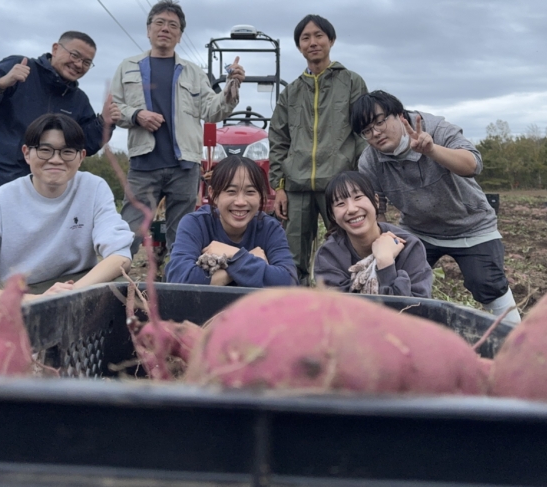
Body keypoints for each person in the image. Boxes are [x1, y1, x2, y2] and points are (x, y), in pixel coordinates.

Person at [0, 114, 133, 315]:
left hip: (75, 283)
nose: (56, 160)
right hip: (18, 293)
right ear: (27, 153)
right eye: (45, 150)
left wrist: (72, 292)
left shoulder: (93, 188)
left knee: (123, 287)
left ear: (81, 157)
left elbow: (120, 255)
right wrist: (37, 301)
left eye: (67, 152)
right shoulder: (0, 201)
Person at [352, 90, 522, 323]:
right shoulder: (370, 160)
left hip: (471, 225)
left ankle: (513, 340)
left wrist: (432, 150)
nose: (376, 133)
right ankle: (413, 340)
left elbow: (473, 164)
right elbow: (377, 209)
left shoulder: (437, 129)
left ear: (400, 115)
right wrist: (381, 244)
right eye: (367, 131)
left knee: (487, 283)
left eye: (380, 122)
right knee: (405, 283)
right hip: (418, 230)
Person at [0, 31, 120, 242]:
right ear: (56, 49)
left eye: (87, 62)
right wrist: (1, 83)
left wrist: (104, 122)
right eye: (75, 55)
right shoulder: (18, 67)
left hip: (36, 189)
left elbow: (84, 145)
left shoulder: (77, 100)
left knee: (26, 251)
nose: (79, 64)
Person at [111, 0, 245, 259]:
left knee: (182, 237)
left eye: (173, 25)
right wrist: (137, 115)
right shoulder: (127, 67)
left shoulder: (193, 72)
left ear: (180, 35)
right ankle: (114, 289)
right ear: (148, 30)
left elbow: (212, 110)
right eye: (159, 23)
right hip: (143, 165)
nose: (165, 29)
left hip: (184, 167)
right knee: (128, 233)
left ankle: (177, 290)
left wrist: (232, 87)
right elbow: (114, 108)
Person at [269, 14, 368, 285]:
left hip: (339, 185)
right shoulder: (290, 92)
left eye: (319, 36)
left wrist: (362, 183)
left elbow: (362, 134)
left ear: (331, 40)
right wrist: (279, 187)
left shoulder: (351, 82)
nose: (313, 42)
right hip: (297, 186)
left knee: (350, 250)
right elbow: (278, 139)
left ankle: (346, 307)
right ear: (299, 46)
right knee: (292, 257)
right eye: (305, 38)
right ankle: (295, 311)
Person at [165, 155, 297, 287]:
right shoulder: (195, 224)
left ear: (261, 195)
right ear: (213, 194)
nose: (240, 202)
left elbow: (288, 283)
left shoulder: (270, 228)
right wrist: (251, 260)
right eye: (231, 191)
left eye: (250, 192)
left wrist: (233, 255)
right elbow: (180, 280)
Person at [314, 172, 432, 298]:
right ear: (333, 216)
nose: (352, 209)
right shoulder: (329, 255)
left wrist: (385, 262)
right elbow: (337, 310)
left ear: (376, 201)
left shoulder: (409, 247)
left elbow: (418, 309)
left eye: (358, 197)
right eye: (340, 204)